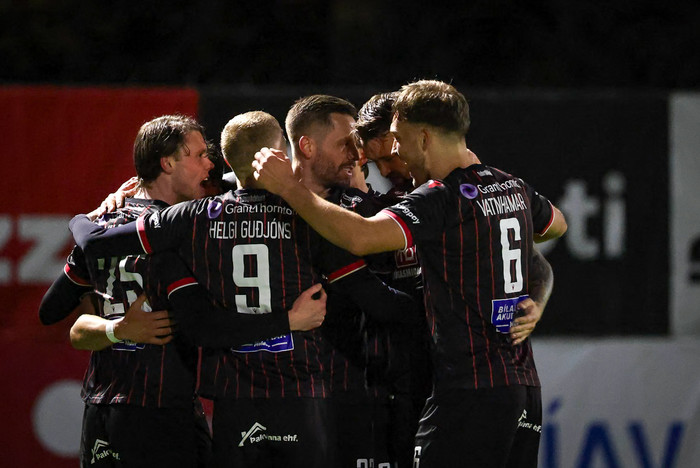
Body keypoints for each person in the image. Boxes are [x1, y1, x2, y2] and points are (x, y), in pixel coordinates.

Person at [251, 79, 568, 467]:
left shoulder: (441, 197)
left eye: (398, 141)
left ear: (423, 137)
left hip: (468, 387)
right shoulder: (511, 187)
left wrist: (289, 188)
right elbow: (556, 226)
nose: (394, 156)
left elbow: (361, 236)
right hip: (522, 387)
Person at [41, 114, 325, 468]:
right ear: (168, 163)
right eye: (199, 155)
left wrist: (86, 218)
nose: (210, 165)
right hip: (161, 410)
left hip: (100, 409)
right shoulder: (183, 232)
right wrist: (288, 321)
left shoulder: (108, 223)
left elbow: (50, 310)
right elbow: (202, 327)